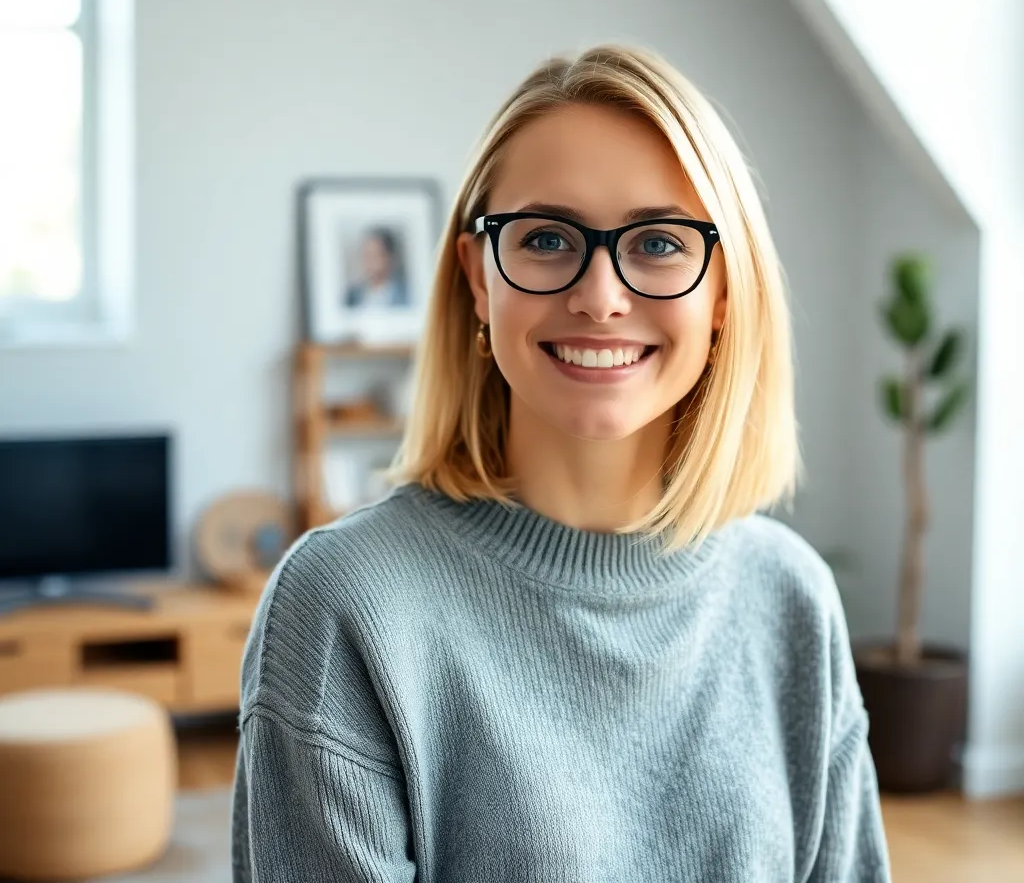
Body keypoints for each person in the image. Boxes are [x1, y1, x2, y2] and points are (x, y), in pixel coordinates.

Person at [232, 44, 891, 881]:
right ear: (478, 277)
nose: (601, 295)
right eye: (546, 238)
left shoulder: (791, 598)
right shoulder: (345, 605)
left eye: (657, 243)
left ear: (725, 292)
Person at [344, 226, 409, 307]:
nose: (369, 262)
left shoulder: (406, 294)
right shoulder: (352, 296)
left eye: (375, 255)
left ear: (390, 258)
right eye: (366, 255)